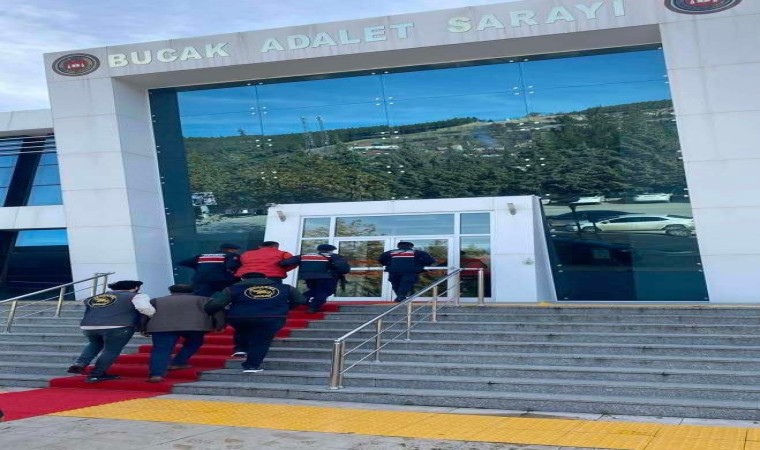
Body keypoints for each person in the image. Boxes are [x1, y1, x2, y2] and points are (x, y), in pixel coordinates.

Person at [205, 272, 305, 373]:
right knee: (261, 341)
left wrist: (208, 310)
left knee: (243, 329)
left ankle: (241, 348)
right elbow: (300, 300)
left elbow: (216, 304)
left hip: (240, 317)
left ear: (243, 279)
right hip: (271, 317)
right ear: (266, 278)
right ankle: (251, 366)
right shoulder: (286, 288)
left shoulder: (232, 289)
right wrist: (285, 308)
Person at [67, 280, 155, 383]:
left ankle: (80, 363)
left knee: (94, 344)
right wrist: (153, 315)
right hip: (118, 326)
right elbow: (144, 308)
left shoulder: (97, 297)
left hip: (89, 326)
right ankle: (96, 374)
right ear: (135, 287)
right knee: (111, 350)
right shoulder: (136, 296)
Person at [145, 284, 225, 383]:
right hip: (195, 326)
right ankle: (178, 362)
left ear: (171, 291)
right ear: (192, 291)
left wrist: (143, 328)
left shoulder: (156, 300)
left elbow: (146, 314)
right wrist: (219, 325)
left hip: (162, 327)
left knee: (161, 350)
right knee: (194, 343)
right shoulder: (205, 300)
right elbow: (217, 311)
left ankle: (156, 374)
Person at [229, 241, 296, 357]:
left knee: (247, 299)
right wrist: (281, 270)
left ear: (260, 246)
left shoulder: (247, 254)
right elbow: (291, 263)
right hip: (273, 277)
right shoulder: (282, 253)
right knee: (270, 299)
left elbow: (238, 263)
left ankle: (241, 348)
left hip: (247, 278)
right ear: (275, 246)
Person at [281, 244, 351, 313]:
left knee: (315, 291)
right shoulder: (333, 256)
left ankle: (297, 302)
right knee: (324, 291)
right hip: (326, 277)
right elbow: (343, 267)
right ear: (330, 250)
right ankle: (313, 307)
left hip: (308, 278)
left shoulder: (304, 256)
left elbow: (285, 263)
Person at [177, 243, 242, 296]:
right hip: (222, 280)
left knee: (201, 299)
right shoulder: (231, 256)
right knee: (234, 295)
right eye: (236, 250)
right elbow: (232, 266)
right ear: (231, 250)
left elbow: (183, 263)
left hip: (202, 280)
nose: (237, 252)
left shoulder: (202, 256)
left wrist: (199, 268)